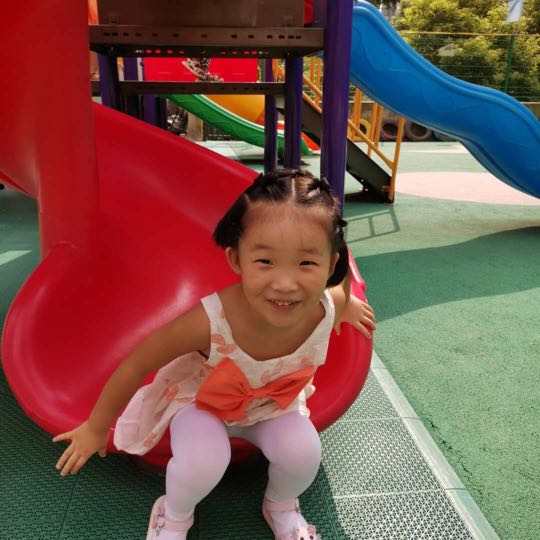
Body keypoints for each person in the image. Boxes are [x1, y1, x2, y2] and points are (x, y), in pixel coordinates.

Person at [52, 169, 376, 540]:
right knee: (203, 462)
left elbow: (340, 292)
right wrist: (96, 427)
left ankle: (281, 506)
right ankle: (174, 515)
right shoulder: (210, 321)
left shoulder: (327, 306)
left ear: (331, 264)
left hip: (271, 405)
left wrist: (349, 304)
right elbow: (138, 362)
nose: (285, 283)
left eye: (306, 263)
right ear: (236, 259)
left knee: (303, 453)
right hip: (202, 403)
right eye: (265, 262)